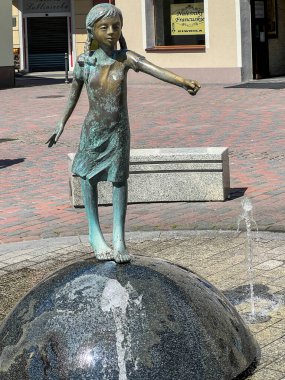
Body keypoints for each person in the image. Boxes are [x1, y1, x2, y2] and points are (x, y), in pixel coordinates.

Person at [46, 3, 200, 264]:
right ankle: (95, 234)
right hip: (93, 131)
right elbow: (73, 97)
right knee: (89, 179)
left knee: (119, 181)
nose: (111, 32)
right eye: (104, 27)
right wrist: (61, 123)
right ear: (92, 31)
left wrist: (183, 82)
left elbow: (154, 69)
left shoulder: (125, 58)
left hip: (118, 131)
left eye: (116, 27)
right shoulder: (85, 63)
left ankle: (119, 238)